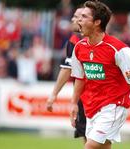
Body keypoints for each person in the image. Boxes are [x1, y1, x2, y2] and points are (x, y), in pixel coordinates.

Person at [70, 1, 130, 149]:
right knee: (103, 147)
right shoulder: (79, 48)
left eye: (84, 16)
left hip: (113, 106)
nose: (78, 20)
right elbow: (80, 78)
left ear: (97, 22)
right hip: (91, 107)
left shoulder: (119, 50)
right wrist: (74, 103)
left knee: (90, 146)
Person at [46, 6, 86, 142]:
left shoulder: (98, 41)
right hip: (84, 97)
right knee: (87, 135)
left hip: (98, 97)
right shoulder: (74, 40)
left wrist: (54, 94)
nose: (73, 19)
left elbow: (66, 69)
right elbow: (67, 68)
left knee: (96, 139)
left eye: (77, 16)